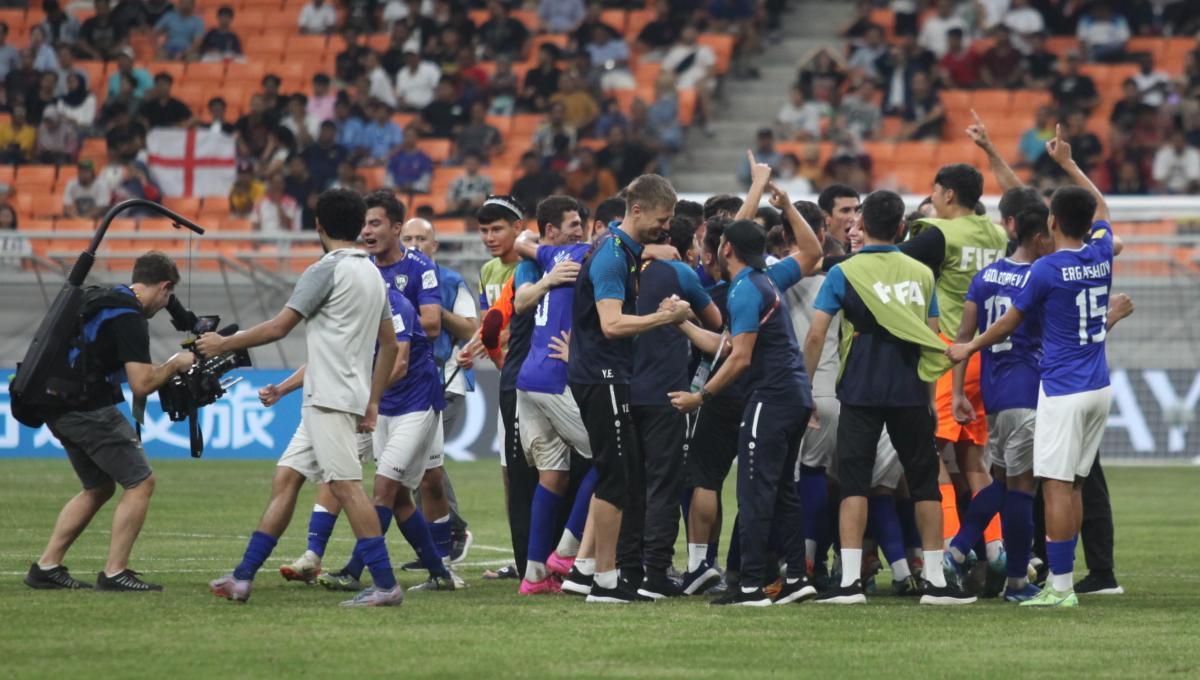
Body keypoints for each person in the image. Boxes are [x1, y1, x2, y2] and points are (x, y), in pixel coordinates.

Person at [204, 189, 404, 607]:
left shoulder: (325, 270)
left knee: (347, 488)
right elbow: (389, 346)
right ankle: (242, 577)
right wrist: (373, 400)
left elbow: (280, 327)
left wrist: (223, 344)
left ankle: (386, 585)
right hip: (335, 395)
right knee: (287, 478)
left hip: (329, 398)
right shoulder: (371, 273)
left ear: (318, 226)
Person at [948, 127, 1119, 608]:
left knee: (1055, 489)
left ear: (1052, 220)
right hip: (1099, 386)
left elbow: (1009, 323)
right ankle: (1060, 582)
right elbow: (1102, 209)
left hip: (1062, 389)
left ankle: (1060, 589)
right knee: (1077, 484)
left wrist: (968, 348)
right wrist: (1068, 164)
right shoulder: (1101, 253)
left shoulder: (1046, 269)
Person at [806, 190, 975, 606]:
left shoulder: (842, 272)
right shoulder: (921, 273)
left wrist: (805, 388)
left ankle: (848, 583)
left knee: (854, 484)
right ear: (902, 227)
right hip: (911, 390)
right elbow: (931, 337)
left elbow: (816, 334)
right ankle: (935, 581)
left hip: (860, 388)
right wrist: (933, 398)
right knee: (923, 485)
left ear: (861, 226)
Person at [23, 253, 193, 593]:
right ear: (164, 286)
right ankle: (115, 572)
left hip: (58, 401)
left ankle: (46, 567)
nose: (163, 306)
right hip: (88, 407)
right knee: (140, 482)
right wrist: (175, 363)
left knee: (99, 486)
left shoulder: (104, 298)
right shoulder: (129, 315)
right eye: (166, 298)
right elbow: (142, 383)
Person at [566, 175, 692, 603]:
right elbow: (612, 324)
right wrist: (666, 319)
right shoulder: (612, 256)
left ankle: (600, 574)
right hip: (601, 377)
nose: (666, 226)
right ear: (636, 211)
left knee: (620, 477)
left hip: (607, 374)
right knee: (616, 478)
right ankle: (604, 580)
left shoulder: (623, 250)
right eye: (662, 218)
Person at [628, 214, 722, 599]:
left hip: (621, 387)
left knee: (628, 484)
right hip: (667, 393)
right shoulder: (680, 274)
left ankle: (624, 569)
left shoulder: (616, 265)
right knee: (664, 484)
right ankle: (656, 573)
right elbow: (715, 324)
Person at [507, 196, 594, 595]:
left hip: (531, 379)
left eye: (583, 224)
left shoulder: (540, 256)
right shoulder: (575, 257)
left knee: (554, 475)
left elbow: (524, 240)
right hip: (553, 378)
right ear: (552, 232)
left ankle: (535, 575)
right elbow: (520, 303)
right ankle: (566, 551)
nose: (582, 230)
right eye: (574, 224)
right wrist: (549, 279)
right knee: (611, 456)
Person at [460, 195, 538, 581]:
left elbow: (516, 323)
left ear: (518, 226)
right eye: (484, 231)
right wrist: (472, 347)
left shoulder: (531, 265)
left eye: (498, 229)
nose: (490, 237)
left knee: (539, 470)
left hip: (532, 375)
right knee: (510, 473)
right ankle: (523, 555)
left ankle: (542, 554)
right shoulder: (490, 270)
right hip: (507, 374)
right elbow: (487, 321)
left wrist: (488, 341)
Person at [401, 217, 477, 563]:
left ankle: (452, 532)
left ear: (435, 246)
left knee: (419, 459)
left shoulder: (450, 281)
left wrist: (434, 307)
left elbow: (470, 328)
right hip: (406, 383)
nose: (415, 244)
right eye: (408, 238)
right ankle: (438, 538)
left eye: (422, 238)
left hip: (446, 381)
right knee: (416, 463)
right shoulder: (392, 278)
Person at [817, 183, 859, 249]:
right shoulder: (813, 256)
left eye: (857, 210)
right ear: (825, 217)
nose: (854, 217)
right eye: (845, 210)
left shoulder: (868, 253)